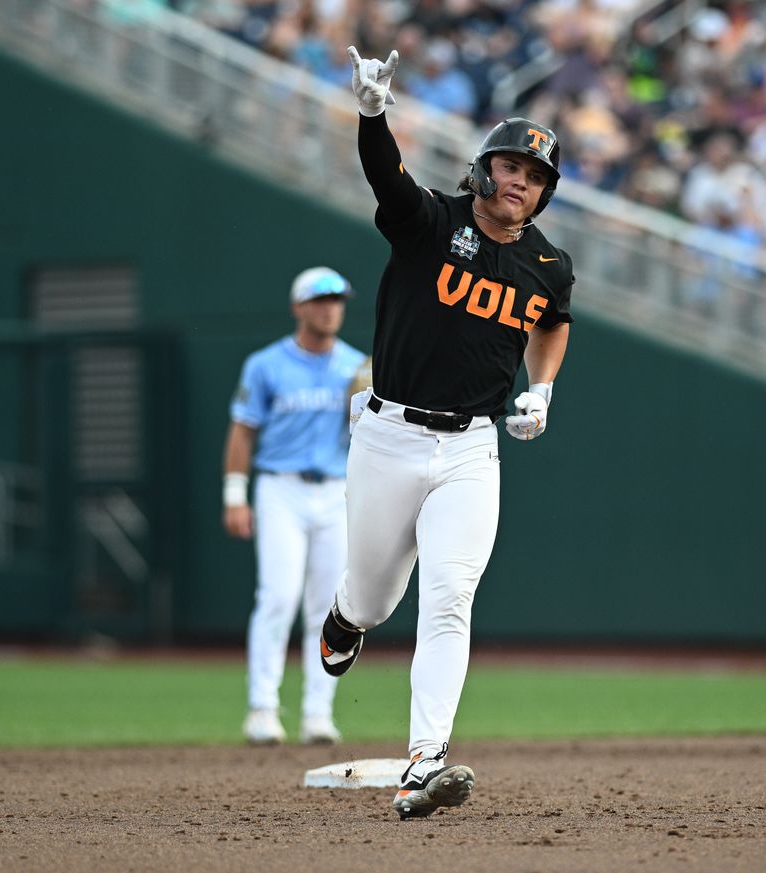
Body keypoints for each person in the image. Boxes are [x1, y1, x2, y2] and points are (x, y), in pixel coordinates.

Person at [322, 46, 574, 820]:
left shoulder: (548, 263)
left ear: (541, 193)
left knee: (451, 597)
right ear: (483, 169)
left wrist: (544, 387)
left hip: (471, 448)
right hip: (389, 435)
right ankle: (346, 615)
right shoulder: (434, 220)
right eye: (508, 166)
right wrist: (373, 116)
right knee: (372, 597)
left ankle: (423, 759)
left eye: (532, 176)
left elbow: (554, 322)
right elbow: (385, 179)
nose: (518, 181)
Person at [223, 266, 368, 746]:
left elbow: (371, 439)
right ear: (299, 307)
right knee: (277, 597)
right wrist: (234, 496)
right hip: (280, 487)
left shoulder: (357, 365)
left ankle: (317, 714)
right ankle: (262, 709)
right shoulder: (266, 364)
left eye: (337, 300)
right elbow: (243, 430)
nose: (331, 308)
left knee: (329, 608)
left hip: (334, 492)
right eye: (321, 300)